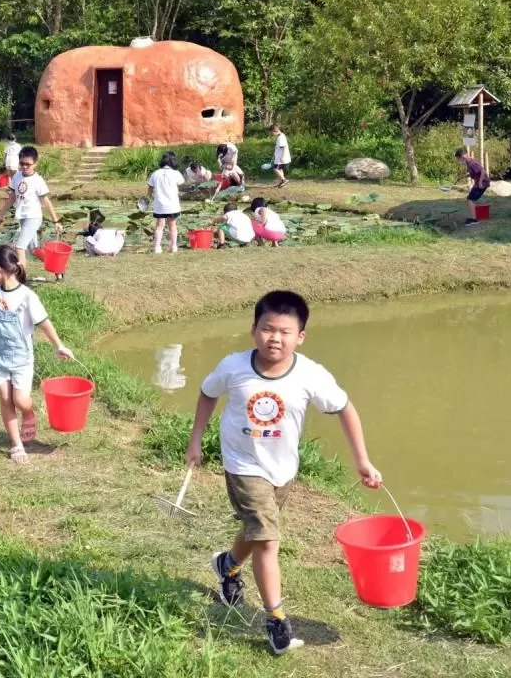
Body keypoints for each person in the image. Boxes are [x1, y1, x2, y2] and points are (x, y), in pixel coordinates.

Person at [185, 290, 382, 655]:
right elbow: (206, 393)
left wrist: (362, 461)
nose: (274, 337)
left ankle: (227, 566)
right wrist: (195, 441)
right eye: (267, 328)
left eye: (285, 331)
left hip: (283, 469)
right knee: (268, 540)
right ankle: (276, 620)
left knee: (257, 527)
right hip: (243, 465)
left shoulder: (310, 374)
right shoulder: (233, 367)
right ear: (254, 330)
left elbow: (344, 408)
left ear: (300, 336)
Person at [0, 245, 72, 464]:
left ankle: (28, 413)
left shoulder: (27, 296)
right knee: (5, 398)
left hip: (21, 358)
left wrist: (59, 345)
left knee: (20, 400)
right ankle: (16, 444)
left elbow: (44, 323)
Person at [0, 145, 62, 271]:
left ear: (35, 164)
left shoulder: (38, 181)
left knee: (20, 247)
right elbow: (12, 197)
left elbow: (46, 201)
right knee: (34, 250)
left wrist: (56, 221)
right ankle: (58, 267)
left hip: (33, 217)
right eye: (22, 163)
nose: (24, 166)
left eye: (28, 164)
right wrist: (0, 214)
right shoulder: (16, 177)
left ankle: (21, 280)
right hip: (22, 217)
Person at [147, 151, 186, 254]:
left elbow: (150, 188)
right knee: (172, 225)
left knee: (159, 226)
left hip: (159, 204)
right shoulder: (176, 173)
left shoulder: (155, 173)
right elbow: (181, 182)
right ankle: (173, 247)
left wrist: (149, 199)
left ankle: (157, 248)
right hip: (172, 204)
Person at [455, 148, 490, 227]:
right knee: (469, 200)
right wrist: (461, 177)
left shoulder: (471, 163)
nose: (458, 161)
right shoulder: (468, 162)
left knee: (470, 200)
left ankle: (474, 220)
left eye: (458, 159)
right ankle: (473, 217)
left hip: (482, 183)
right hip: (478, 183)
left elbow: (483, 171)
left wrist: (480, 182)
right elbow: (472, 173)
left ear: (463, 156)